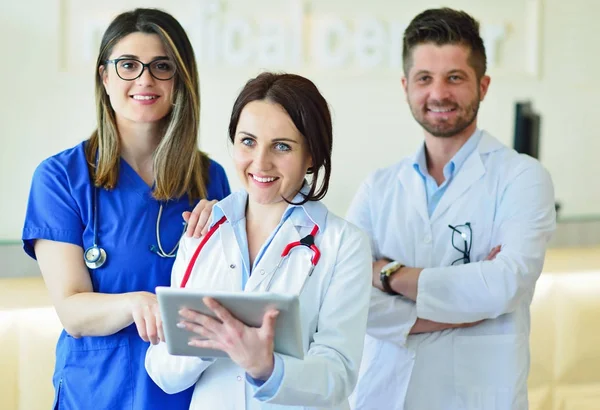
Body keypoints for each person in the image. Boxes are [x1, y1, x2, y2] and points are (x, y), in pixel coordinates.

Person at [347, 8, 556, 410]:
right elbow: (345, 294)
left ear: (483, 85)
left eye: (455, 78)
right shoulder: (378, 187)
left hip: (475, 397)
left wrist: (388, 275)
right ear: (406, 85)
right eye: (425, 78)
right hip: (385, 395)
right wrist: (463, 304)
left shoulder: (522, 177)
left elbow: (504, 284)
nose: (438, 94)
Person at [21, 8, 230, 410]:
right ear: (104, 77)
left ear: (180, 79)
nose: (145, 80)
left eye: (161, 66)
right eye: (128, 65)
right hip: (99, 390)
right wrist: (139, 302)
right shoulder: (61, 178)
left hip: (185, 389)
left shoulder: (209, 179)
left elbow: (223, 294)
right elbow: (73, 310)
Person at [145, 72, 372, 409]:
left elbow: (338, 374)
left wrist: (267, 368)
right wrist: (209, 342)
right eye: (247, 141)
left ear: (312, 155)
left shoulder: (345, 244)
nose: (260, 162)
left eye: (282, 146)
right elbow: (162, 369)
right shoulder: (202, 230)